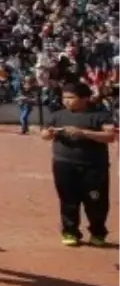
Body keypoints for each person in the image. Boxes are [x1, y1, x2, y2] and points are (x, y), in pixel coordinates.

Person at [42, 82, 114, 247]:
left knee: (96, 202)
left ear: (85, 98)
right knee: (68, 200)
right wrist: (49, 133)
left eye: (71, 98)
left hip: (93, 166)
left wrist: (83, 133)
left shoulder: (100, 115)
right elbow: (44, 135)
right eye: (64, 97)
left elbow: (109, 136)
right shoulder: (57, 115)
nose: (66, 101)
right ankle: (70, 231)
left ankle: (97, 232)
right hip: (64, 165)